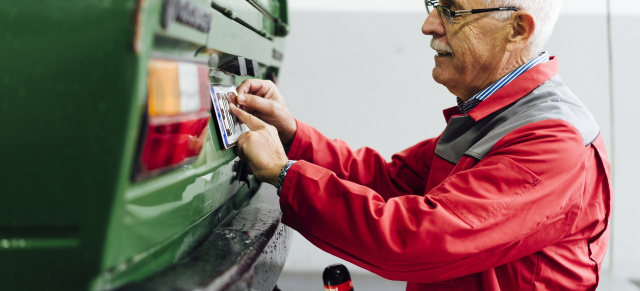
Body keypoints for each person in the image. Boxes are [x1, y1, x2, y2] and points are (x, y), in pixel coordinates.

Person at [228, 0, 612, 289]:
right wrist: (292, 136)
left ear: (516, 29)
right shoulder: (494, 116)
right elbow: (388, 180)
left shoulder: (550, 141)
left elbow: (416, 239)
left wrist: (285, 174)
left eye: (452, 11)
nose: (429, 25)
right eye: (435, 6)